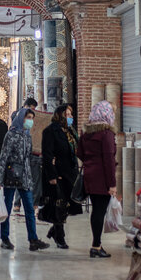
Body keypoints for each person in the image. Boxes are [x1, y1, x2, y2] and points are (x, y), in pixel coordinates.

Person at [0, 109, 49, 251]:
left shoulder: (27, 136)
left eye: (31, 118)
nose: (30, 121)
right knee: (7, 207)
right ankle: (4, 238)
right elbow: (3, 156)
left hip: (25, 176)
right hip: (11, 175)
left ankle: (33, 239)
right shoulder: (11, 135)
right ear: (21, 119)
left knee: (30, 209)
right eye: (28, 118)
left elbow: (28, 156)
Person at [77, 100, 117, 258]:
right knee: (99, 211)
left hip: (89, 175)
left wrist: (89, 161)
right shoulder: (106, 134)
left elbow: (79, 152)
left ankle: (96, 244)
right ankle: (96, 246)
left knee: (96, 211)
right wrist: (112, 184)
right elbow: (109, 160)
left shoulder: (86, 133)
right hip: (102, 178)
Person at [40, 104, 81, 249]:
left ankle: (55, 229)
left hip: (70, 172)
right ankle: (59, 236)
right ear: (60, 115)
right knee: (59, 204)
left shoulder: (70, 131)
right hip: (58, 174)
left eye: (71, 114)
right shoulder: (51, 131)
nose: (70, 117)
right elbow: (47, 155)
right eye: (67, 114)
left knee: (72, 204)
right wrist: (52, 175)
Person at [9, 98, 39, 212]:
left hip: (30, 156)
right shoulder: (16, 121)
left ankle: (31, 205)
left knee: (30, 181)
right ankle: (17, 204)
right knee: (19, 180)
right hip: (19, 158)